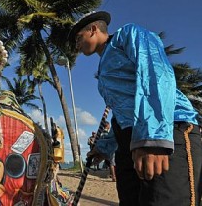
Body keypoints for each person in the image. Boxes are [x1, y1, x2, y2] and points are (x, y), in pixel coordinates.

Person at [69, 11, 202, 205]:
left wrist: (153, 139)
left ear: (93, 29)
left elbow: (155, 72)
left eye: (78, 39)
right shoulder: (102, 73)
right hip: (131, 142)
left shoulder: (128, 35)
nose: (77, 46)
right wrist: (105, 147)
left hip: (168, 130)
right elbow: (123, 113)